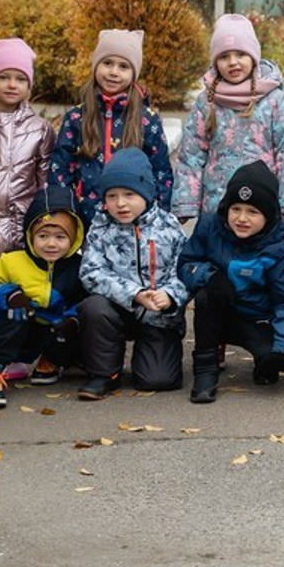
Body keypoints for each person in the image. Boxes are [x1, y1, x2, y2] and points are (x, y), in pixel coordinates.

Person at [178, 161, 284, 403]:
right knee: (206, 295)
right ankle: (206, 371)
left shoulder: (280, 250)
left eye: (253, 212)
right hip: (217, 313)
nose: (242, 218)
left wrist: (283, 346)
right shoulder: (208, 227)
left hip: (257, 320)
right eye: (235, 209)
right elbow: (185, 265)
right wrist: (210, 276)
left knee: (271, 361)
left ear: (267, 216)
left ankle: (265, 361)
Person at [172, 13, 284, 223]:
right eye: (224, 56)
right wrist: (185, 204)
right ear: (216, 61)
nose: (233, 62)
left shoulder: (274, 101)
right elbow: (192, 155)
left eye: (240, 55)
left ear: (253, 57)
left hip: (261, 208)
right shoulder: (207, 102)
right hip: (217, 207)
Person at [76, 148, 188, 399]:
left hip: (158, 314)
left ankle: (150, 358)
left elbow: (185, 269)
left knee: (157, 380)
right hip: (118, 309)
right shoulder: (100, 227)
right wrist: (134, 294)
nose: (120, 203)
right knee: (93, 307)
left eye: (129, 194)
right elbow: (91, 271)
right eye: (112, 196)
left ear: (146, 193)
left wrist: (170, 295)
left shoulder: (169, 226)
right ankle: (104, 374)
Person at [50, 29, 173, 228]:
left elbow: (161, 171)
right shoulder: (76, 117)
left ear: (134, 73)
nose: (114, 72)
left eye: (123, 66)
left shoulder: (146, 119)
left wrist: (160, 216)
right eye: (107, 63)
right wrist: (63, 212)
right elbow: (61, 169)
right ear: (96, 66)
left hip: (134, 219)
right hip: (86, 217)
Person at [0, 186, 85, 402]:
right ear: (30, 234)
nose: (51, 243)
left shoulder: (78, 267)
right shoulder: (12, 261)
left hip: (53, 328)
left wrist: (73, 318)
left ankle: (52, 360)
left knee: (74, 324)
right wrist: (9, 295)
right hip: (21, 324)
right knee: (12, 314)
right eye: (43, 235)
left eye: (60, 237)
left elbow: (83, 299)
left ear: (74, 239)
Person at [0, 37, 56, 254]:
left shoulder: (40, 129)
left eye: (21, 79)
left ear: (29, 85)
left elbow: (45, 184)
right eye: (3, 77)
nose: (12, 85)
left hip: (22, 229)